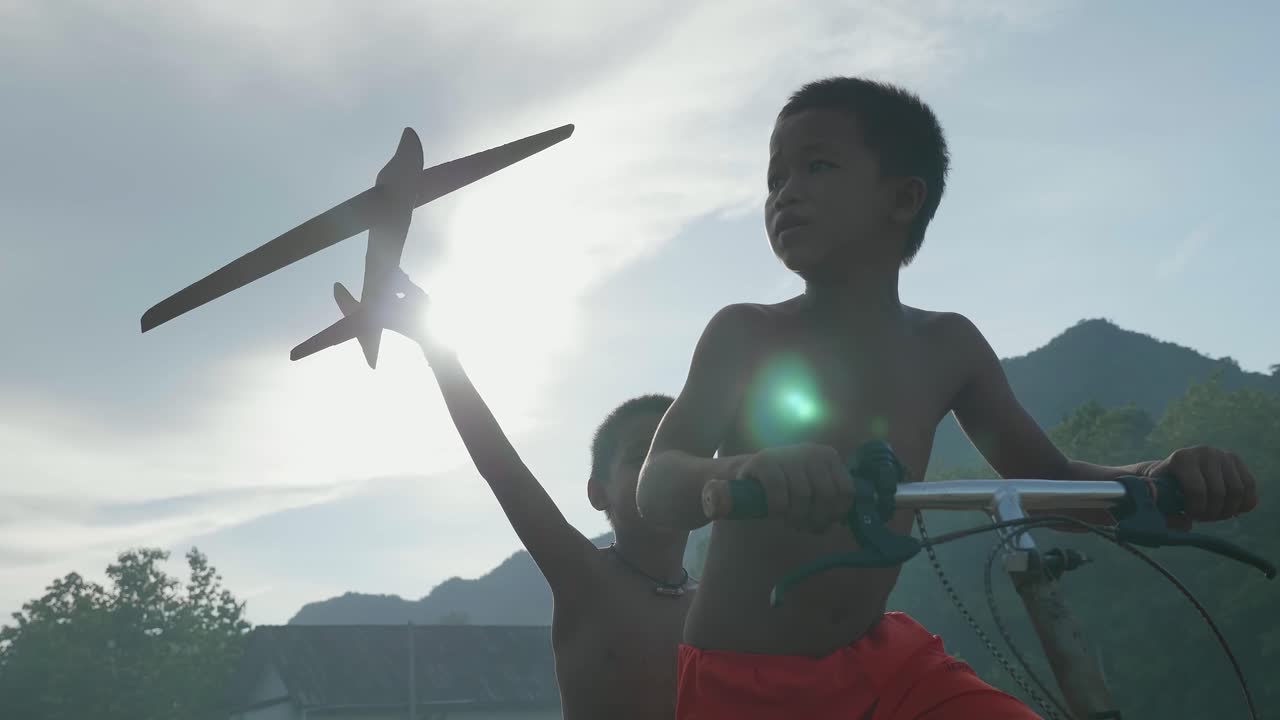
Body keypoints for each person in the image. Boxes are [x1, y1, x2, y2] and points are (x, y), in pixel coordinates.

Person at [635, 76, 1259, 720]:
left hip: (887, 665)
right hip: (746, 680)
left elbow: (1048, 481)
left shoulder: (949, 346)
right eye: (774, 178)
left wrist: (1157, 478)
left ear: (903, 199)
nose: (785, 193)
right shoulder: (745, 333)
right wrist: (742, 468)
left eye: (815, 166)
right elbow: (656, 487)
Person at [377, 270, 694, 720]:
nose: (661, 470)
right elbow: (503, 470)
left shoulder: (714, 601)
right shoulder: (584, 578)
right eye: (642, 456)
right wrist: (438, 350)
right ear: (598, 493)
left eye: (682, 454)